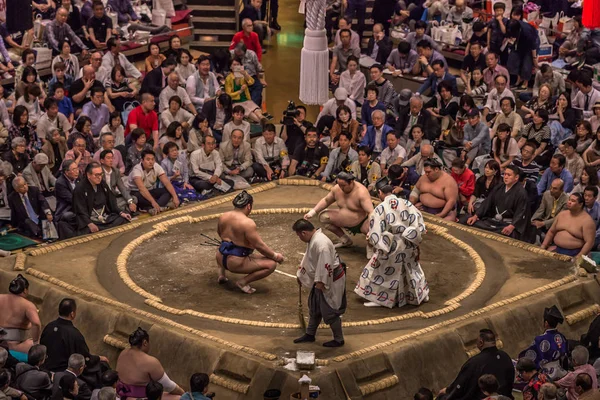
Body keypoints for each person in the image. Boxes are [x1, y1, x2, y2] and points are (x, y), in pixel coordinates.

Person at [355, 177, 428, 308]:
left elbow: (375, 232)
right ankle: (422, 294)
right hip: (408, 243)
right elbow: (420, 224)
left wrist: (378, 245)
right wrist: (415, 240)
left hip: (391, 244)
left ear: (380, 193)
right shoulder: (407, 204)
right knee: (411, 268)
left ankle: (379, 299)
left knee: (381, 270)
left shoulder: (380, 208)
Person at [216, 191, 284, 292]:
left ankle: (221, 275)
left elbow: (220, 233)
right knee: (271, 264)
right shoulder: (247, 223)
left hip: (220, 258)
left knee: (224, 245)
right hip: (235, 263)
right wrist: (276, 256)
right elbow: (259, 246)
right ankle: (242, 282)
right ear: (248, 206)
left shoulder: (223, 216)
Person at [293, 219, 346, 347]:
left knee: (329, 310)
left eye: (299, 235)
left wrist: (320, 283)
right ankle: (310, 334)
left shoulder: (321, 244)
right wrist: (301, 274)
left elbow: (325, 265)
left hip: (328, 279)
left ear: (304, 233)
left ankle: (339, 339)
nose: (299, 237)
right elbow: (309, 259)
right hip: (320, 277)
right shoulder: (314, 239)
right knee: (315, 307)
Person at [462, 165, 533, 242]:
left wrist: (512, 226)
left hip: (506, 224)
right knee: (467, 220)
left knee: (507, 234)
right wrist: (476, 216)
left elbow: (521, 212)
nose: (505, 177)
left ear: (516, 177)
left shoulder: (521, 193)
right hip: (493, 221)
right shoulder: (499, 187)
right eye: (505, 174)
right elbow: (487, 202)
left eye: (509, 175)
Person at [304, 171, 374, 248]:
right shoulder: (337, 189)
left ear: (351, 182)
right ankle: (345, 240)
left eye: (343, 185)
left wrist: (372, 229)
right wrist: (312, 212)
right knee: (323, 217)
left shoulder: (361, 192)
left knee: (372, 230)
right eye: (339, 184)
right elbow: (326, 200)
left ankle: (370, 248)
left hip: (361, 223)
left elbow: (371, 212)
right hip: (343, 219)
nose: (341, 188)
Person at [438, 329, 514, 400]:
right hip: (505, 396)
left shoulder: (474, 363)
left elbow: (460, 386)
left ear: (481, 342)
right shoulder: (505, 356)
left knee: (442, 396)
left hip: (481, 397)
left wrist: (448, 390)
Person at [115, 328, 184, 399]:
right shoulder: (150, 362)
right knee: (179, 398)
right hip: (138, 398)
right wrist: (185, 394)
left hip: (119, 396)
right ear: (145, 343)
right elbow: (169, 386)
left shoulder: (123, 353)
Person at [73, 162, 130, 234]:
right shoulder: (80, 188)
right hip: (90, 218)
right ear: (88, 175)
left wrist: (121, 213)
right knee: (88, 230)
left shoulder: (102, 184)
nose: (99, 177)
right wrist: (89, 223)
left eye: (101, 174)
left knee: (123, 219)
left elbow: (111, 202)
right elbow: (80, 210)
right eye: (96, 175)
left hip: (104, 216)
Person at [541, 193, 596, 258]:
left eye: (573, 201)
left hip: (576, 253)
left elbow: (589, 242)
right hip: (557, 249)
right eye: (569, 200)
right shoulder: (561, 215)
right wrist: (543, 246)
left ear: (580, 205)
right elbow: (551, 232)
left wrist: (578, 257)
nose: (569, 202)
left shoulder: (587, 221)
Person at [127, 150, 179, 215]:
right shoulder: (137, 170)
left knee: (168, 191)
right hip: (136, 192)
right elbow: (142, 189)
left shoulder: (156, 166)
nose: (151, 162)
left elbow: (166, 182)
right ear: (142, 160)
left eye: (152, 159)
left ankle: (152, 208)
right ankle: (160, 206)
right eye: (148, 159)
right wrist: (153, 202)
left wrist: (175, 197)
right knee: (138, 197)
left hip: (150, 190)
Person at [0, 274, 41, 355]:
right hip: (14, 346)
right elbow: (36, 324)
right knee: (40, 350)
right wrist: (36, 343)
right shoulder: (28, 305)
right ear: (25, 290)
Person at [55, 159, 79, 224]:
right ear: (66, 172)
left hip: (79, 206)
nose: (77, 171)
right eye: (74, 169)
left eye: (77, 168)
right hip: (67, 209)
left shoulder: (79, 177)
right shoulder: (60, 183)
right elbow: (72, 199)